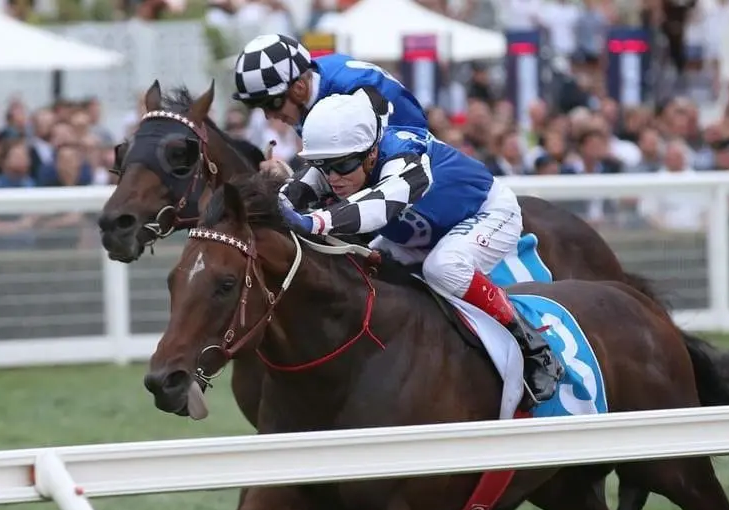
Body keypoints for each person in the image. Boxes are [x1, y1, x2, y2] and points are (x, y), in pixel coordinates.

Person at [278, 90, 564, 404]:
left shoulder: (404, 154)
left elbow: (380, 205)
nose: (333, 177)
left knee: (443, 267)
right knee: (357, 268)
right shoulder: (346, 157)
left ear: (372, 152)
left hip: (486, 213)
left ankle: (533, 346)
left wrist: (315, 221)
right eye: (323, 165)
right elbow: (293, 192)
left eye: (342, 165)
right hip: (420, 233)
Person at [232, 33, 428, 135]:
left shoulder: (351, 94)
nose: (269, 116)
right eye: (259, 107)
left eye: (271, 103)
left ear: (299, 88)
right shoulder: (307, 91)